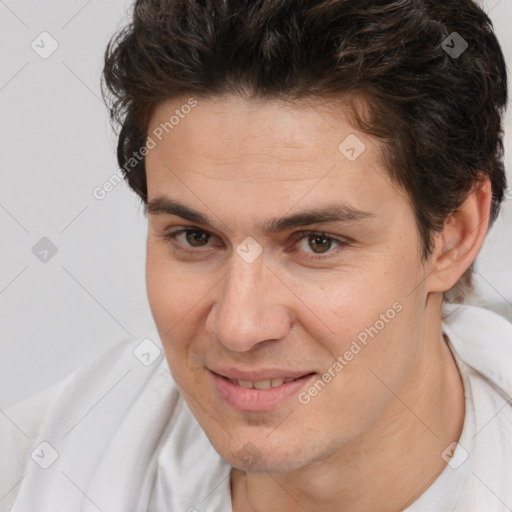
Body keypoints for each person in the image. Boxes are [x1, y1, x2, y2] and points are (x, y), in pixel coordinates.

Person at [1, 0, 511, 510]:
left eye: (317, 242)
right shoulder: (40, 466)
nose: (239, 327)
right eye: (195, 237)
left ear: (455, 234)